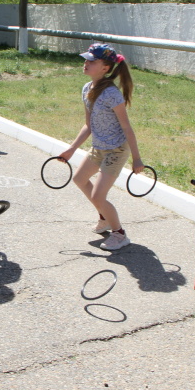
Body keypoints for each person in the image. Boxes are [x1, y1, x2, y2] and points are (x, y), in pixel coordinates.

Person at [58, 43, 144, 251]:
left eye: (91, 61)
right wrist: (71, 149)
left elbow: (127, 127)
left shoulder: (112, 94)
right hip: (99, 147)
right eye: (86, 60)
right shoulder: (87, 89)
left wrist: (137, 158)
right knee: (79, 179)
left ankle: (119, 234)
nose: (86, 64)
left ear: (105, 68)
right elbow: (88, 125)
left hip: (116, 149)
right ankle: (104, 218)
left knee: (98, 195)